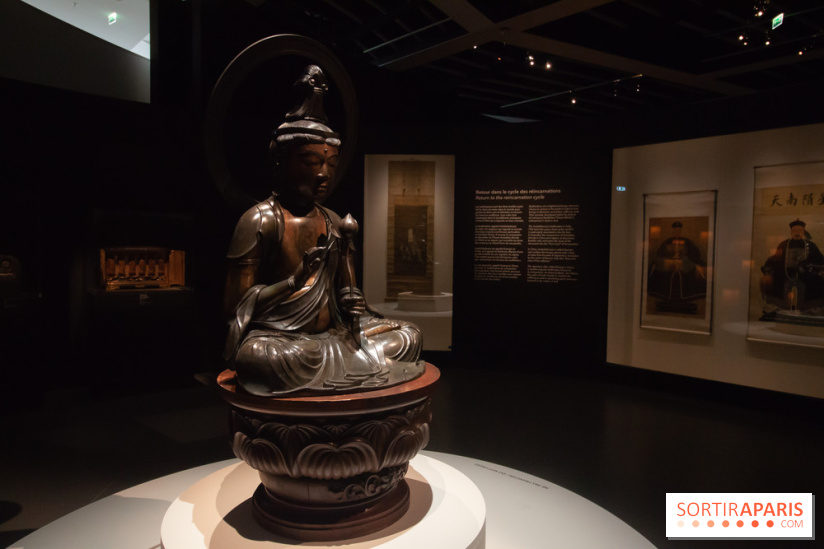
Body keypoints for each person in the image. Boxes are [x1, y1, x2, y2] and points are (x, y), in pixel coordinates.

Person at [223, 65, 424, 396]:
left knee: (408, 335)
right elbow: (235, 309)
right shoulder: (260, 220)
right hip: (282, 340)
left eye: (331, 163)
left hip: (335, 337)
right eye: (311, 162)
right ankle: (358, 371)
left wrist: (353, 301)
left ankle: (348, 369)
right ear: (279, 161)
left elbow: (344, 291)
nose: (323, 174)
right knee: (259, 359)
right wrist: (293, 282)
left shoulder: (333, 219)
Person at [760, 219, 824, 312]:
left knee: (817, 281)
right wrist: (768, 267)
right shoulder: (784, 244)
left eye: (799, 230)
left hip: (806, 274)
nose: (797, 232)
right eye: (794, 230)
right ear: (791, 232)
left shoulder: (810, 245)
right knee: (773, 281)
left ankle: (811, 308)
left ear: (803, 231)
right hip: (785, 273)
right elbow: (776, 258)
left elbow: (819, 259)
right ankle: (777, 307)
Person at [647, 221, 707, 312]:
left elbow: (694, 255)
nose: (677, 232)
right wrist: (668, 258)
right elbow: (660, 255)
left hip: (685, 268)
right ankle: (665, 299)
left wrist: (684, 256)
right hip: (668, 267)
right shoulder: (667, 242)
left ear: (680, 230)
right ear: (673, 230)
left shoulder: (687, 241)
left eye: (678, 230)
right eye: (675, 230)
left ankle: (685, 300)